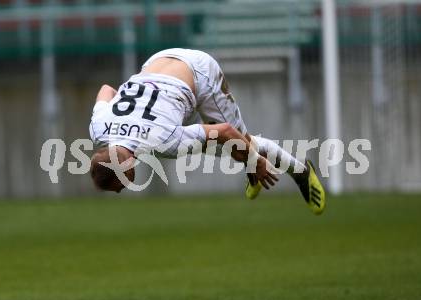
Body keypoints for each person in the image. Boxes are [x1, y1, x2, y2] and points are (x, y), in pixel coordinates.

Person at [89, 48, 325, 214]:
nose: (120, 191)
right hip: (158, 61)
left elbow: (224, 130)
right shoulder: (98, 129)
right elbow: (107, 89)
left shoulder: (165, 141)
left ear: (127, 166)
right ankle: (251, 163)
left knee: (240, 144)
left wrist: (253, 160)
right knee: (234, 149)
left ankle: (302, 172)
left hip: (200, 73)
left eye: (118, 185)